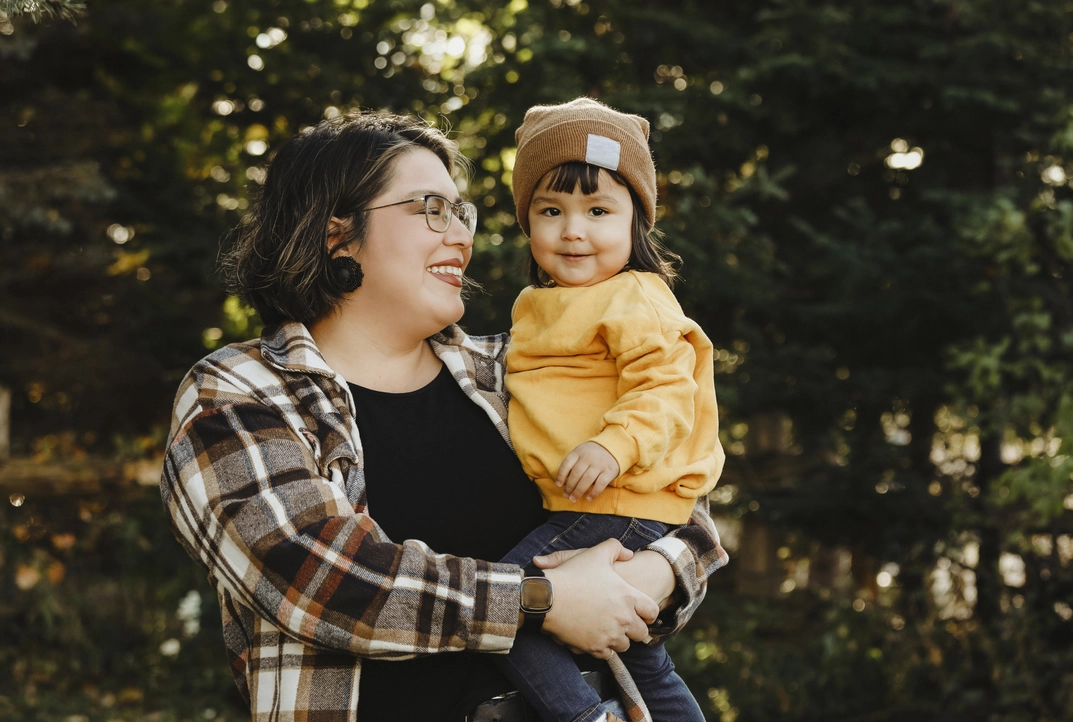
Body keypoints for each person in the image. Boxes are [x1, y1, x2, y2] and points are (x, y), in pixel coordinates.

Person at [159, 110, 728, 722]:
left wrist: (653, 574)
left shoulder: (507, 373)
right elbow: (320, 581)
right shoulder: (240, 393)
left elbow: (672, 501)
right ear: (337, 232)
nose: (460, 235)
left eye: (462, 213)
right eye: (431, 208)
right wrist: (544, 601)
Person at [492, 98, 725, 722]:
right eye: (551, 210)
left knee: (506, 606)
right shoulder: (536, 305)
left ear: (635, 223)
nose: (574, 229)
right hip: (592, 504)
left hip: (611, 501)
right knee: (643, 655)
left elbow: (667, 388)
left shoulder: (634, 297)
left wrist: (611, 444)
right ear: (528, 222)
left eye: (598, 211)